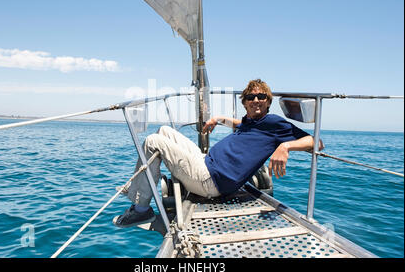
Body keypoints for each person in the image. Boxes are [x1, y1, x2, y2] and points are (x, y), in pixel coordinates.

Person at [114, 79, 323, 228]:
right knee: (164, 131)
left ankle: (141, 210)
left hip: (209, 180)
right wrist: (218, 118)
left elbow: (317, 142)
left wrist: (285, 147)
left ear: (268, 102)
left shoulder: (273, 123)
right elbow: (239, 123)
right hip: (205, 162)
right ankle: (138, 187)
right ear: (245, 102)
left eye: (261, 96)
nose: (256, 99)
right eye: (251, 96)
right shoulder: (252, 123)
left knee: (153, 142)